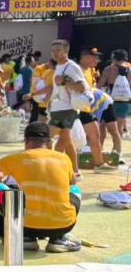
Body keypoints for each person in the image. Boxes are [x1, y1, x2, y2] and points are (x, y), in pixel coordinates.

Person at [0, 122, 81, 253]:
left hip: (26, 226)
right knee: (75, 190)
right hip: (63, 225)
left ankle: (26, 238)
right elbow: (73, 183)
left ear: (25, 141)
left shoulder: (15, 158)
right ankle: (58, 239)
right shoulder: (64, 158)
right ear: (49, 142)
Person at [48, 39, 88, 178]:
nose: (55, 53)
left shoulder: (72, 67)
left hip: (66, 108)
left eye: (58, 50)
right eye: (53, 50)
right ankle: (75, 172)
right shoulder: (59, 66)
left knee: (46, 136)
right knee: (66, 140)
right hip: (58, 108)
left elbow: (82, 87)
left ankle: (51, 168)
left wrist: (64, 81)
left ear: (66, 51)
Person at [76, 47, 117, 172]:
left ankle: (99, 164)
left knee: (94, 134)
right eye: (95, 58)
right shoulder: (76, 70)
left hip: (86, 109)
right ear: (85, 58)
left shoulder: (89, 70)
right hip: (76, 109)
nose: (97, 60)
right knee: (71, 139)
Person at [100, 48, 131, 142]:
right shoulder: (129, 70)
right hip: (124, 101)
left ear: (113, 58)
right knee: (119, 128)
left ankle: (100, 146)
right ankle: (117, 148)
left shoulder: (109, 69)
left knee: (102, 126)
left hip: (110, 101)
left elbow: (100, 84)